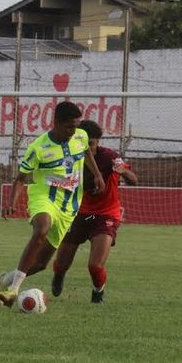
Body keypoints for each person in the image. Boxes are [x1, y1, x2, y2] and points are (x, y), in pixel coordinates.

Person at [0, 101, 105, 308]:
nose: (74, 131)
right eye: (69, 127)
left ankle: (10, 277)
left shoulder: (80, 137)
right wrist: (11, 202)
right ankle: (12, 290)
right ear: (56, 123)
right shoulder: (38, 148)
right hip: (43, 198)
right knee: (41, 229)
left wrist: (97, 175)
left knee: (40, 264)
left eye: (76, 126)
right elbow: (20, 178)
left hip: (69, 206)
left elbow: (86, 152)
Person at [50, 120, 138, 304]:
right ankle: (59, 275)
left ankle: (98, 292)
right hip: (79, 213)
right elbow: (57, 180)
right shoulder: (71, 157)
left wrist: (123, 172)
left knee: (95, 265)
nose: (86, 147)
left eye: (91, 143)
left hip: (106, 215)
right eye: (82, 142)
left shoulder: (110, 157)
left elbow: (134, 180)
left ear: (97, 142)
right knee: (61, 263)